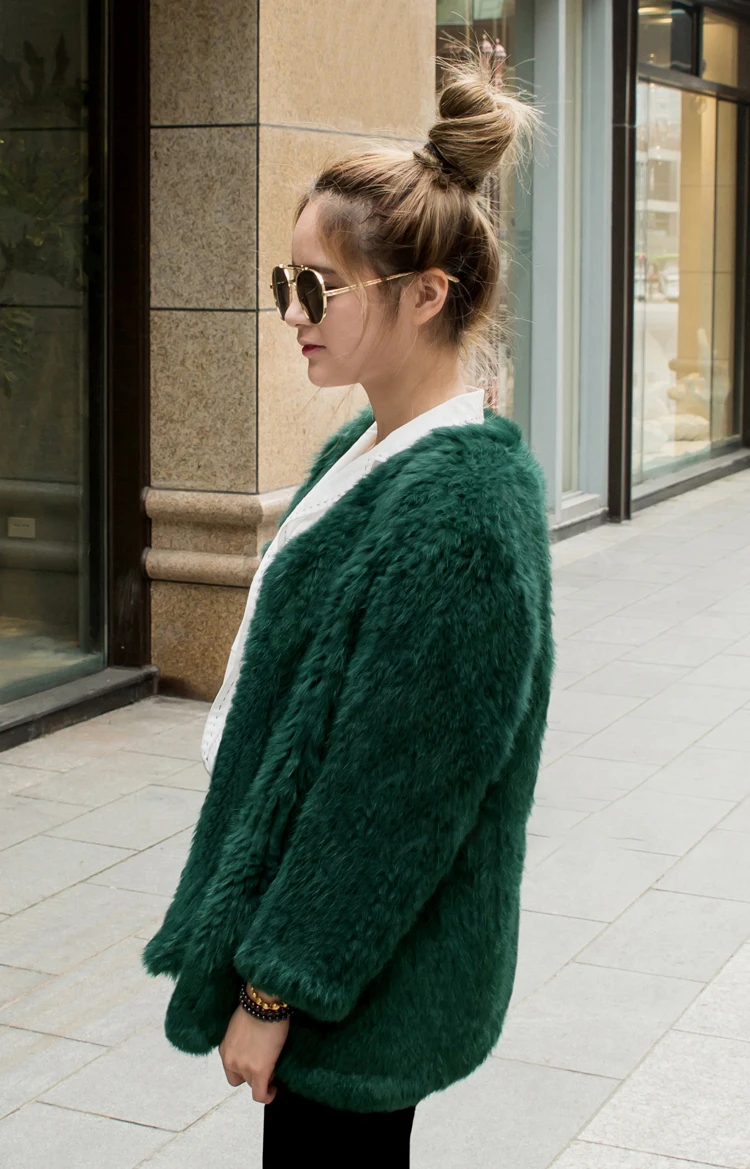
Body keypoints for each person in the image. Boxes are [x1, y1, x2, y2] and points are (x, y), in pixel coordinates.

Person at [141, 49, 553, 1168]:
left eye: (318, 287)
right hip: (332, 958)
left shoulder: (463, 513)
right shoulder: (368, 448)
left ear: (425, 294)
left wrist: (275, 991)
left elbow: (393, 797)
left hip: (360, 986)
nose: (293, 311)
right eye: (288, 282)